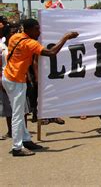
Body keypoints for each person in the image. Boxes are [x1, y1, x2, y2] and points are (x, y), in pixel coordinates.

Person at [2, 19, 78, 156]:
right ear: (29, 29)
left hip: (10, 77)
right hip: (16, 80)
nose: (39, 32)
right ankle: (17, 147)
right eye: (36, 29)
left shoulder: (15, 37)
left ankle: (25, 140)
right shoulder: (29, 43)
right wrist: (66, 38)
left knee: (21, 111)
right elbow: (51, 52)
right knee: (18, 115)